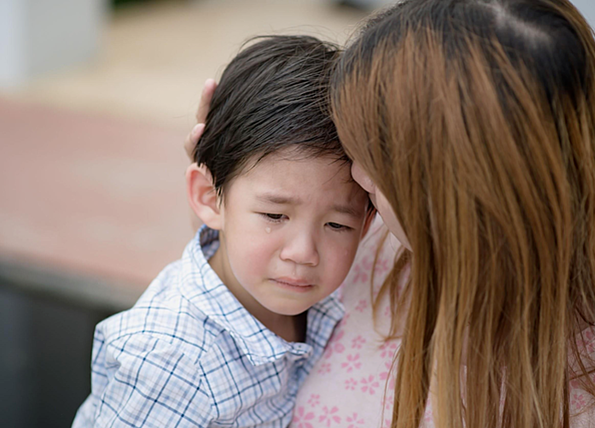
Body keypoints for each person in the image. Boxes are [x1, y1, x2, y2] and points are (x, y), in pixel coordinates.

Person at [182, 1, 595, 427]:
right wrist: (234, 194)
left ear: (459, 197)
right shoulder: (371, 240)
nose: (358, 175)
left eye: (380, 159)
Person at [72, 35, 373, 428]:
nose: (303, 252)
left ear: (369, 223)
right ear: (209, 198)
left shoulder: (317, 301)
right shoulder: (169, 362)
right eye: (274, 215)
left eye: (337, 224)